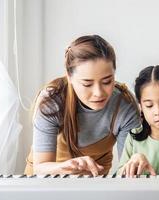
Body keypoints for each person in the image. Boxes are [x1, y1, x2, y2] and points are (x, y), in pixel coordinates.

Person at [24, 35, 140, 176]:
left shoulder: (125, 105)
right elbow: (40, 167)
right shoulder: (51, 101)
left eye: (107, 81)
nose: (98, 93)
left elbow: (128, 169)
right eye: (87, 84)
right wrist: (68, 167)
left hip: (95, 181)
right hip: (44, 181)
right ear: (69, 76)